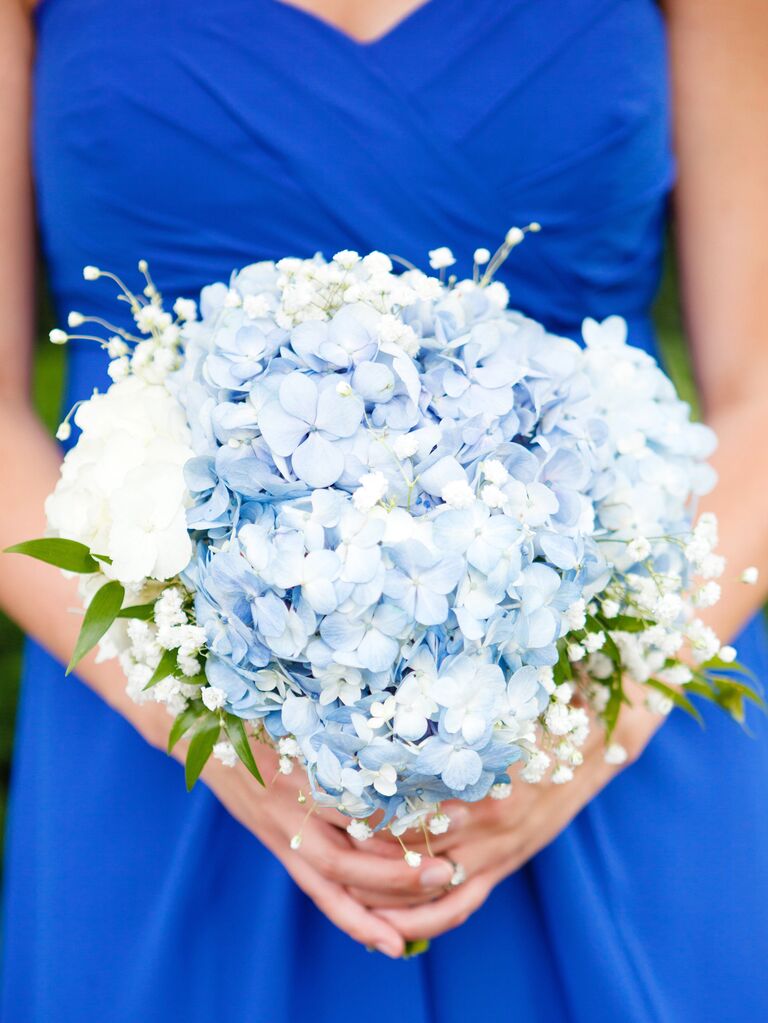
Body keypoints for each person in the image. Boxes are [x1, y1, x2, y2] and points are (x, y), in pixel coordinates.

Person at [2, 1, 767, 1020]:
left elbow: (760, 391)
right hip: (163, 757)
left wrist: (591, 735)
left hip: (606, 739)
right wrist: (197, 719)